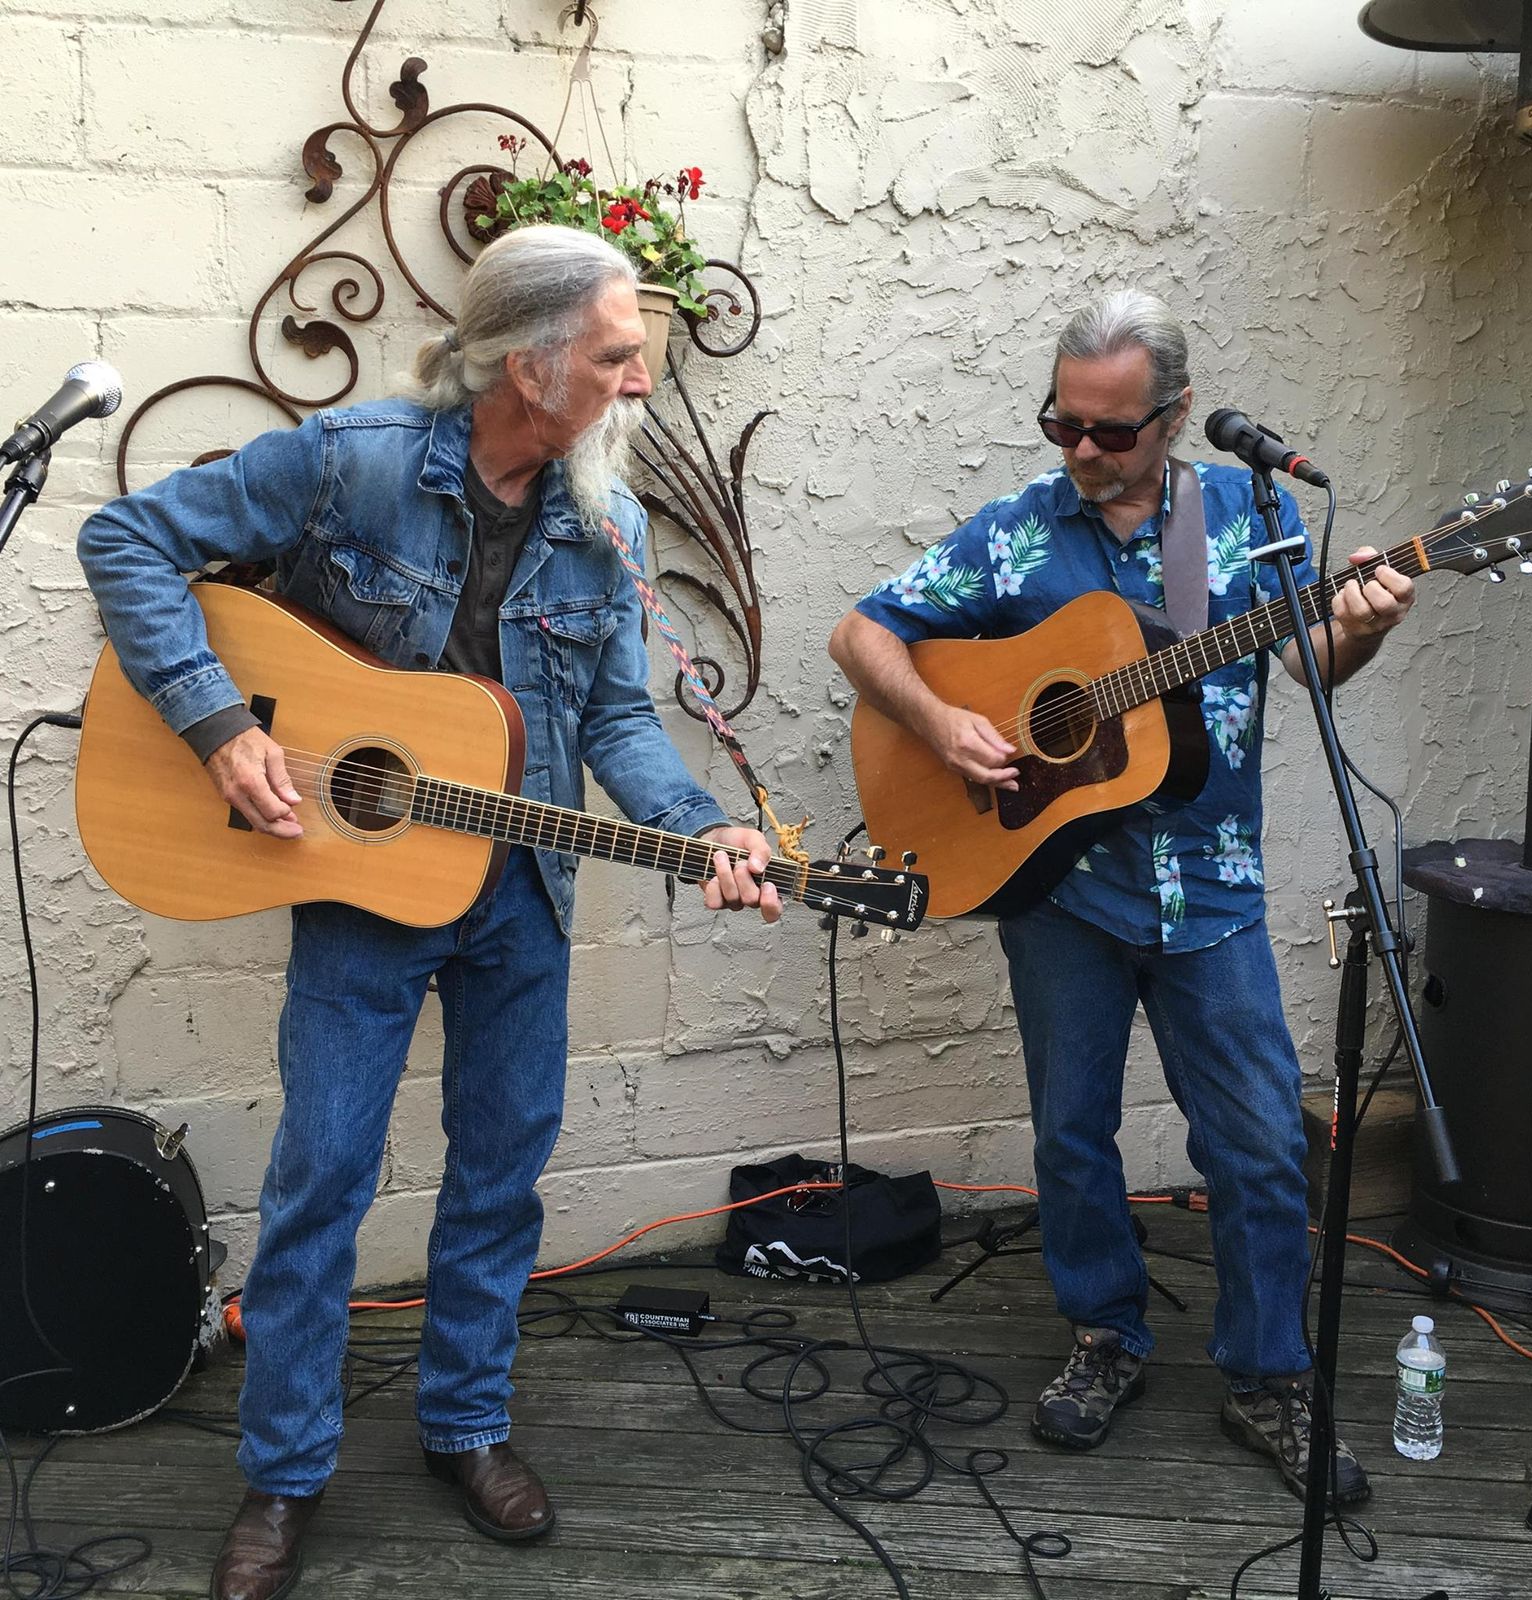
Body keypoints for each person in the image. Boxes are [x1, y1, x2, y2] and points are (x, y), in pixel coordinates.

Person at [77, 225, 781, 1600]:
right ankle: (285, 1473)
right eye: (617, 355)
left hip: (520, 891)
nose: (641, 381)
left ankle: (466, 1424)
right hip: (367, 890)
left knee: (501, 1175)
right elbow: (127, 541)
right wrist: (220, 723)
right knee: (322, 1181)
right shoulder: (352, 462)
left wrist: (705, 828)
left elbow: (616, 719)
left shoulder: (608, 524)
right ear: (530, 365)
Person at [828, 289, 1414, 1506]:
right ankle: (1103, 1331)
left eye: (1110, 431)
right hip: (1064, 892)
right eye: (1064, 424)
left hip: (1212, 885)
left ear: (1176, 416)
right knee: (1070, 1131)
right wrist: (937, 722)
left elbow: (1311, 663)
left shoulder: (1248, 513)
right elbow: (862, 633)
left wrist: (1361, 624)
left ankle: (1268, 1371)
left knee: (1259, 1145)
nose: (1083, 451)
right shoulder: (1017, 531)